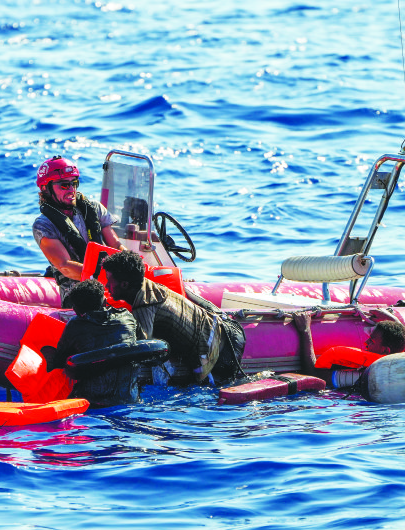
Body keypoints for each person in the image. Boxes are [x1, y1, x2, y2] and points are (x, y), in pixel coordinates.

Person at [102, 250, 246, 385]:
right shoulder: (149, 287)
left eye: (109, 280)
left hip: (220, 353)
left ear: (125, 284)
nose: (107, 285)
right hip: (225, 330)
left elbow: (143, 350)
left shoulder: (144, 306)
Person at [31, 155, 126, 304]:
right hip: (77, 298)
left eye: (74, 183)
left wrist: (132, 266)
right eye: (64, 185)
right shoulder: (43, 225)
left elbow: (115, 245)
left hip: (111, 288)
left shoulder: (94, 208)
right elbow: (65, 266)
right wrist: (106, 277)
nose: (71, 189)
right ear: (45, 188)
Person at [50, 279, 140, 407]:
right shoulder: (127, 317)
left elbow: (58, 361)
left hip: (91, 403)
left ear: (75, 310)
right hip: (129, 399)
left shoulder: (76, 325)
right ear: (104, 302)